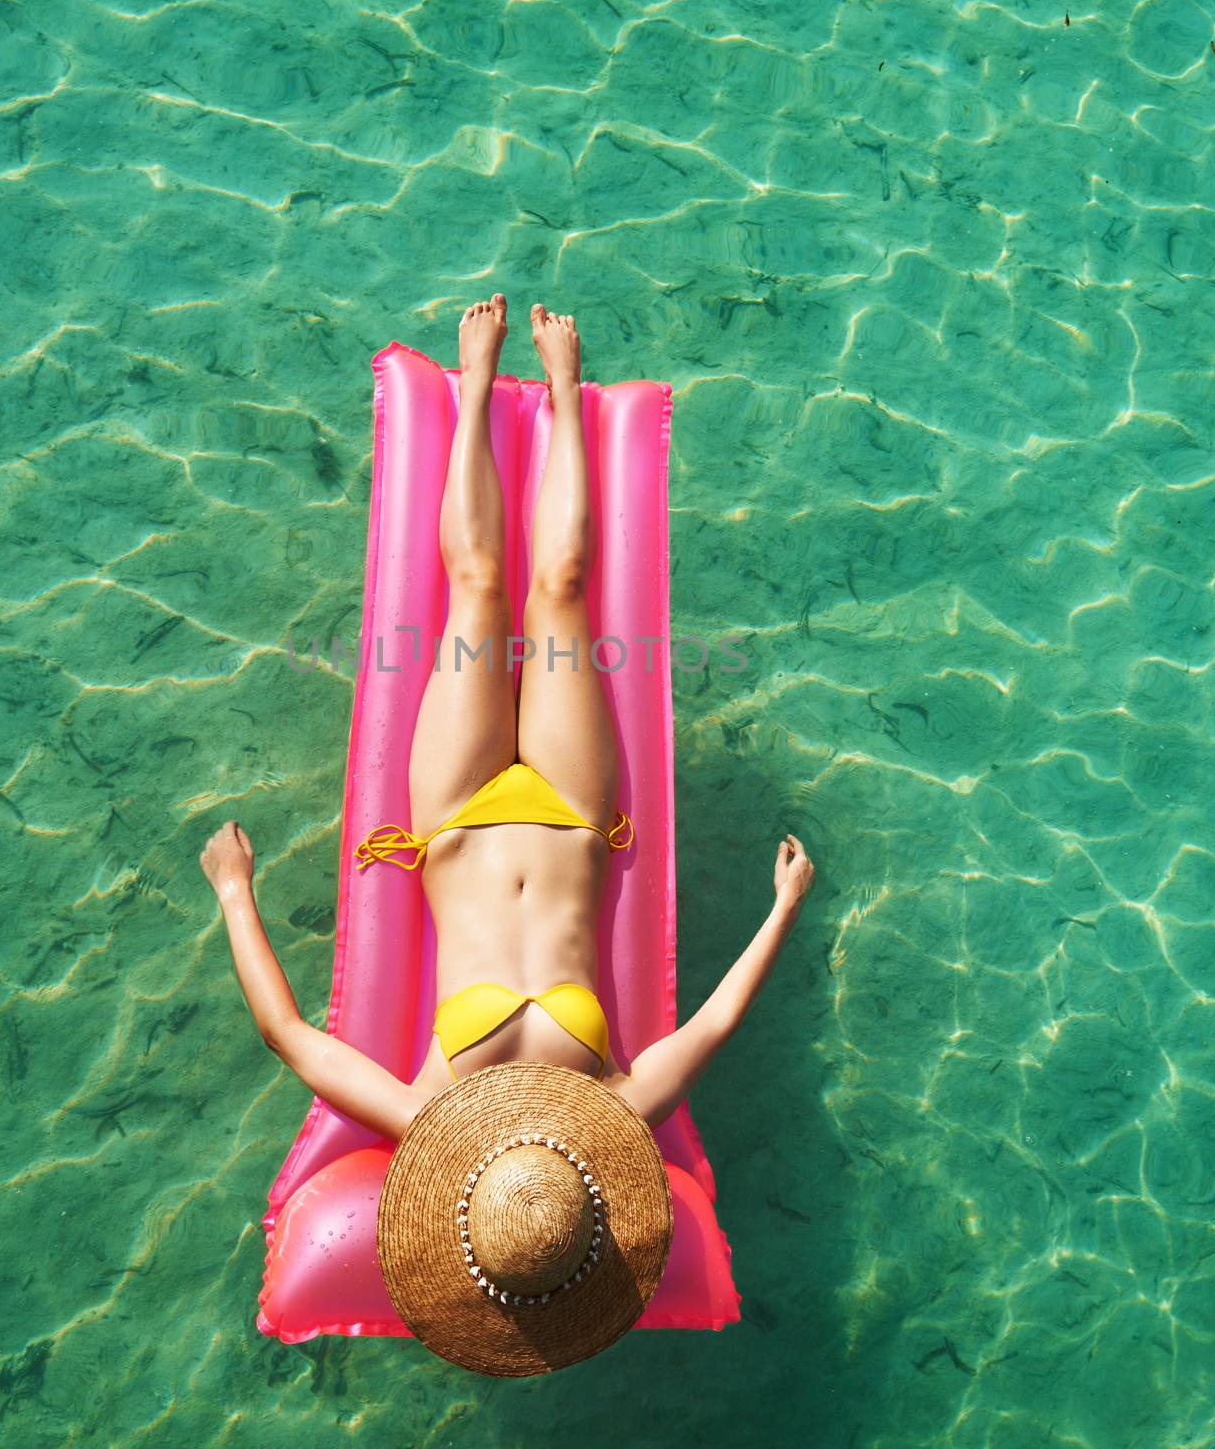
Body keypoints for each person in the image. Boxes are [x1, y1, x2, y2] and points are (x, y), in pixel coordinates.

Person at [199, 294, 815, 1372]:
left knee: (480, 592)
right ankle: (567, 392)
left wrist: (235, 896)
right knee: (562, 594)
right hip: (575, 816)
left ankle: (476, 382)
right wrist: (782, 909)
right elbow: (715, 1023)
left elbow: (290, 1037)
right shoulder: (615, 1111)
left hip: (450, 815)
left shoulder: (426, 1109)